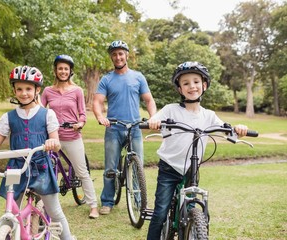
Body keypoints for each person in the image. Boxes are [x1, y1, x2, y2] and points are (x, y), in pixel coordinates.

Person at [0, 66, 75, 240]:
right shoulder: (8, 117)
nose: (24, 93)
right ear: (14, 90)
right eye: (20, 89)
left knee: (55, 211)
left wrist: (52, 142)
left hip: (41, 167)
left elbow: (56, 144)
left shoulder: (47, 115)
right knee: (11, 210)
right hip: (15, 169)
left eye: (29, 89)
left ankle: (68, 238)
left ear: (37, 90)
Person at [146, 61, 249, 239]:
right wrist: (153, 122)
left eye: (196, 81)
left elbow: (227, 130)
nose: (191, 86)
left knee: (191, 207)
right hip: (169, 169)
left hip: (192, 170)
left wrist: (238, 128)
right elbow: (154, 120)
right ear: (180, 89)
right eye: (185, 83)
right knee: (160, 212)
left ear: (204, 85)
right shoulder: (171, 110)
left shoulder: (208, 115)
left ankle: (192, 228)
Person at [92, 40, 157, 215]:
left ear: (127, 55)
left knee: (138, 167)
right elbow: (97, 102)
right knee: (111, 169)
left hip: (135, 128)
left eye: (121, 53)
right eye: (114, 54)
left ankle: (138, 201)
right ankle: (107, 201)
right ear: (111, 57)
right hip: (113, 128)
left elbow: (149, 100)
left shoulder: (138, 77)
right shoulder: (107, 79)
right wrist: (100, 117)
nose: (118, 57)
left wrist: (154, 117)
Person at [41, 55, 99, 219]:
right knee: (49, 172)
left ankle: (93, 206)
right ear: (55, 71)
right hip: (53, 138)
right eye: (60, 68)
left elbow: (82, 114)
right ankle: (47, 207)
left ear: (70, 71)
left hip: (72, 136)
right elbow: (40, 110)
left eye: (66, 69)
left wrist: (80, 123)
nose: (63, 71)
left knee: (82, 171)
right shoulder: (47, 91)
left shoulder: (77, 91)